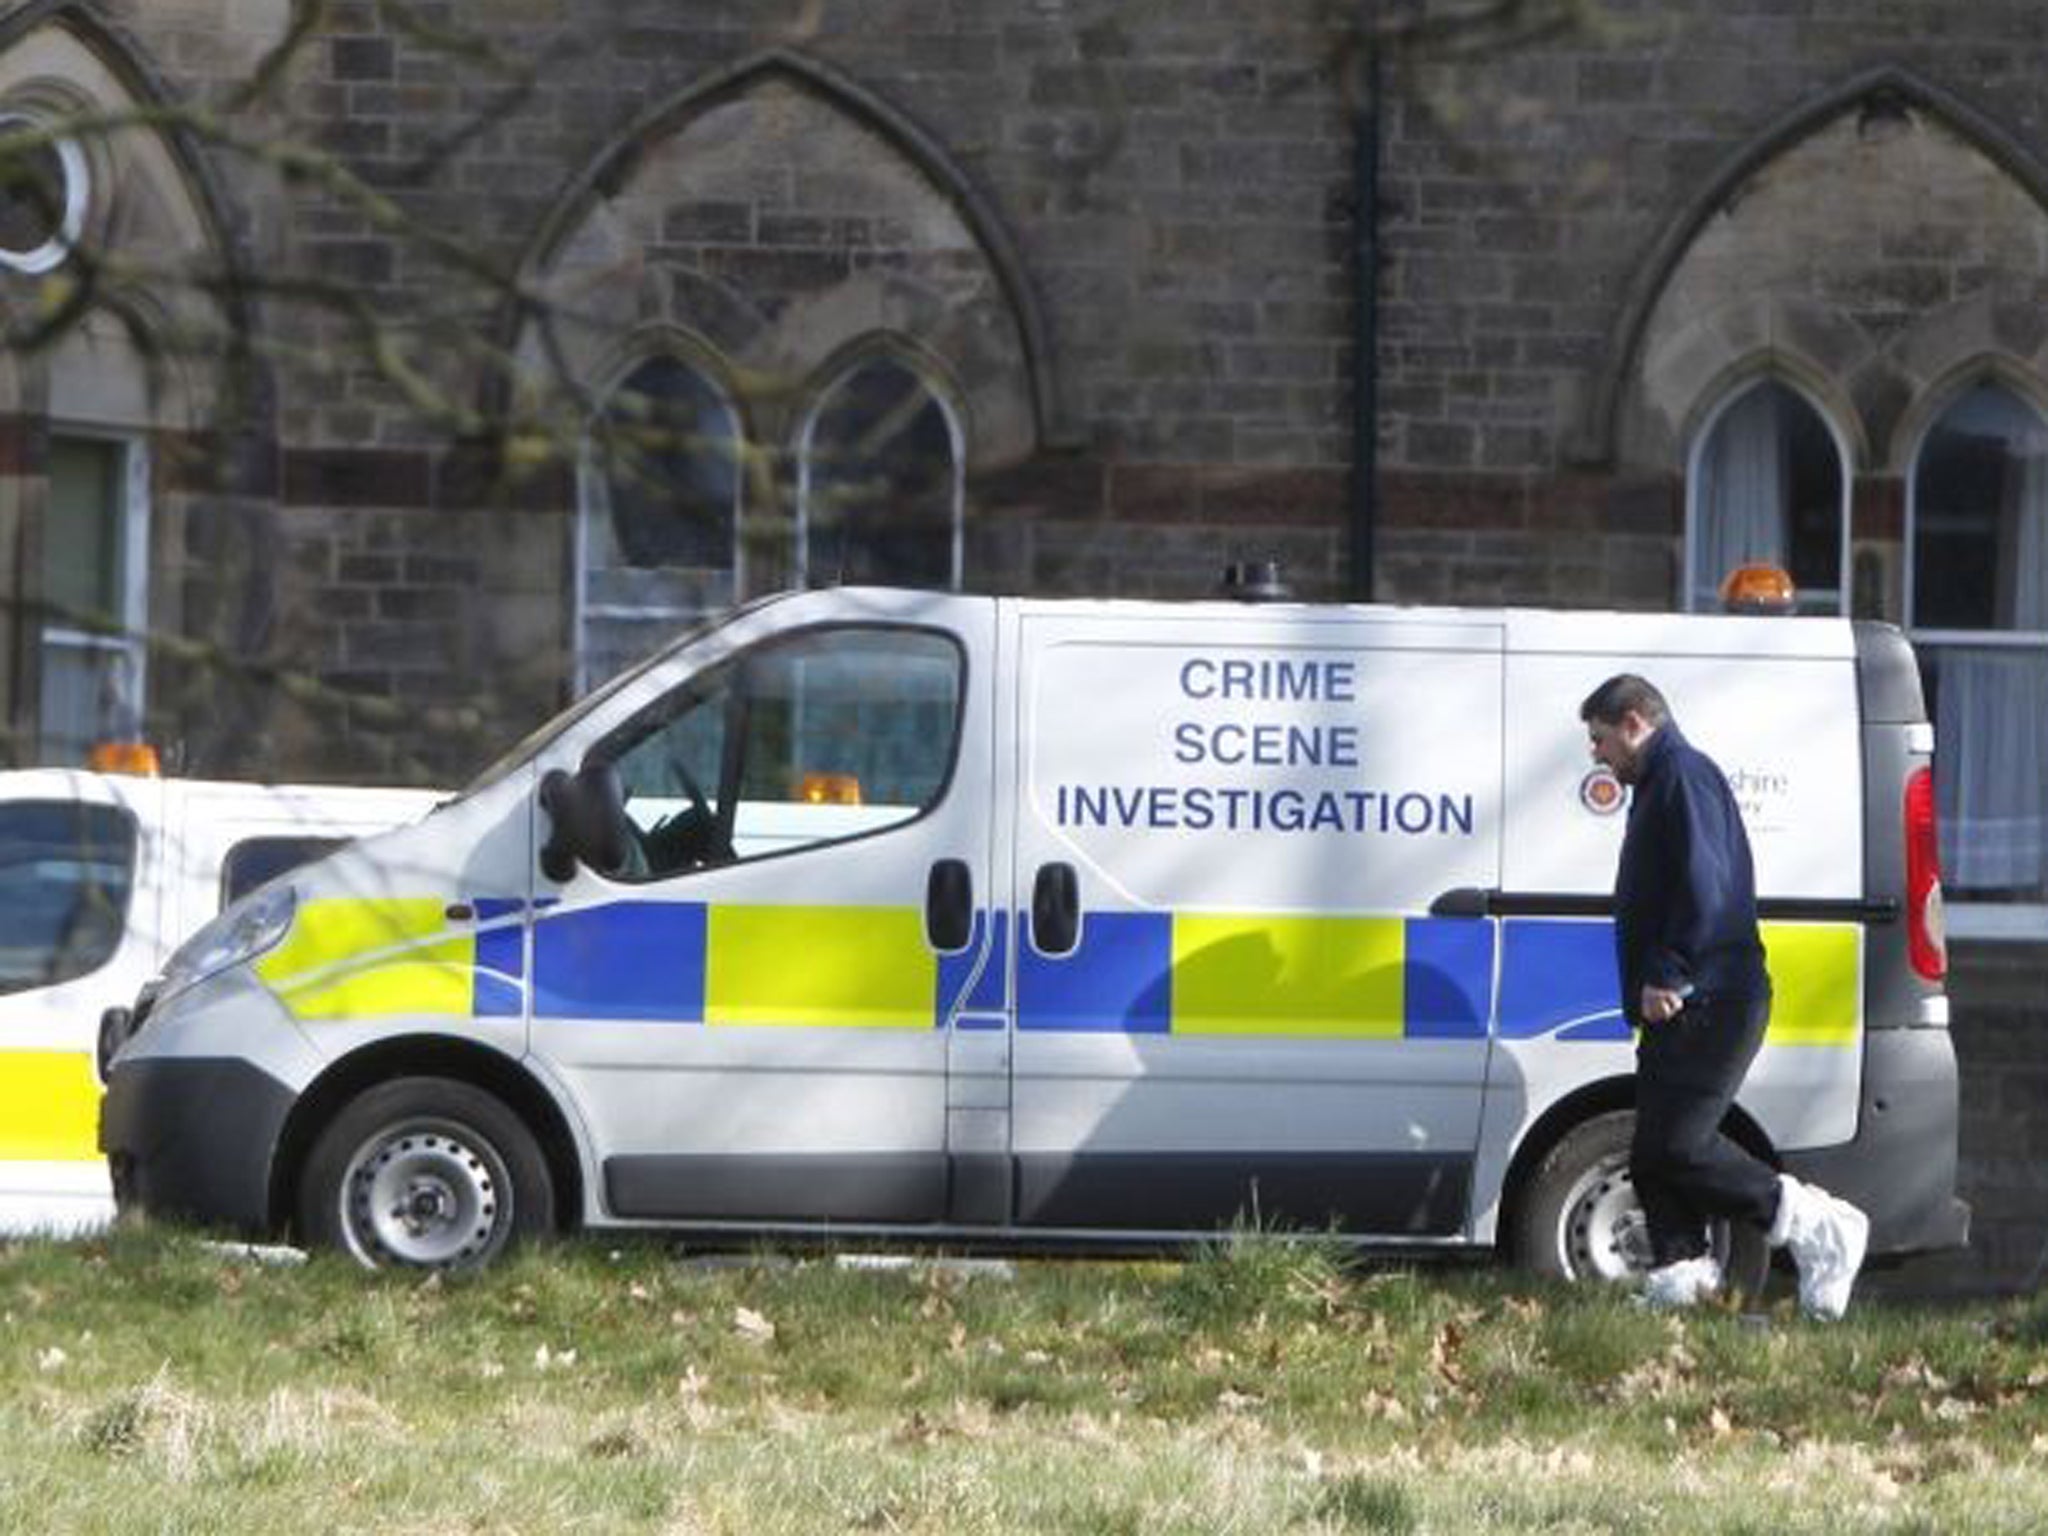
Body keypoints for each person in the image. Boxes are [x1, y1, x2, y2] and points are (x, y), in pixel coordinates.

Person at [1580, 674, 1868, 1319]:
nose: (1596, 755)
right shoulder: (1663, 780)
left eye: (1600, 739)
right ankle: (1681, 1278)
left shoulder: (1681, 775)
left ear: (1633, 722)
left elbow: (1704, 887)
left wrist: (1668, 971)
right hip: (1692, 1000)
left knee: (1681, 1144)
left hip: (1712, 998)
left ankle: (1819, 1226)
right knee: (1654, 1151)